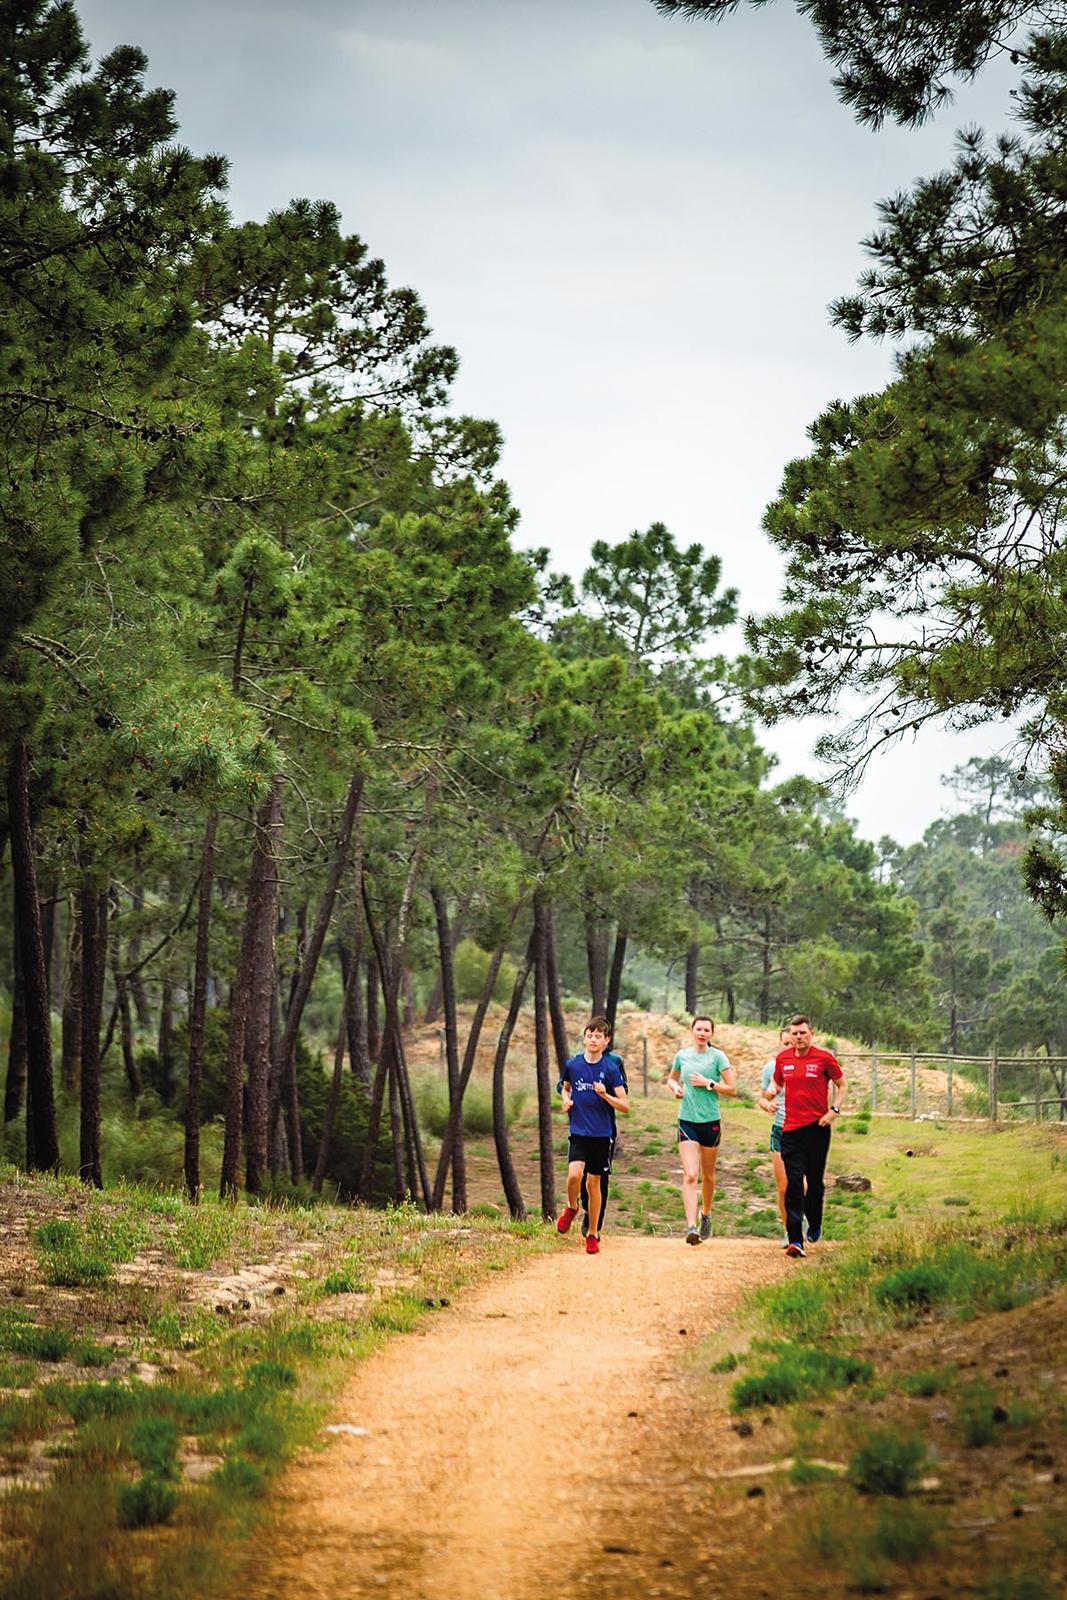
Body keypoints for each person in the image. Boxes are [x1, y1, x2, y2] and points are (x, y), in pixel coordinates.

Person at [766, 1014, 846, 1259]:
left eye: (803, 1033)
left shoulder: (824, 1058)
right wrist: (768, 1096)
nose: (798, 1037)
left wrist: (834, 1111)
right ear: (790, 1035)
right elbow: (775, 1085)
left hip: (817, 1128)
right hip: (790, 1130)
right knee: (793, 1183)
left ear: (811, 1034)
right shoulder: (782, 1060)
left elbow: (842, 1085)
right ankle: (795, 1241)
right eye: (794, 1033)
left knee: (815, 1184)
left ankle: (815, 1221)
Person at [557, 1016, 629, 1255]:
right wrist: (566, 1101)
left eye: (599, 1036)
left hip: (601, 1134)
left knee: (593, 1183)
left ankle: (592, 1233)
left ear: (606, 1041)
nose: (593, 1039)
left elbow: (625, 1105)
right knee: (574, 1176)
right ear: (584, 1038)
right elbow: (566, 1088)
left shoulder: (610, 1068)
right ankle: (571, 1207)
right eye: (590, 1035)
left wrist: (605, 1095)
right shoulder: (573, 1064)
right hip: (578, 1131)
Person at [667, 1015, 736, 1245]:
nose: (702, 1033)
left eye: (707, 1030)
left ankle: (706, 1214)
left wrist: (709, 1083)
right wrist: (675, 1087)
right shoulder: (682, 1055)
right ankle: (691, 1226)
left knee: (708, 1175)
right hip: (687, 1120)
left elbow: (733, 1089)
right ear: (692, 1030)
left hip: (710, 1121)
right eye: (699, 1029)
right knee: (690, 1175)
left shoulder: (718, 1057)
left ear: (711, 1034)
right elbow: (671, 1078)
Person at [759, 1027, 793, 1245]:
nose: (790, 1047)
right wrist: (767, 1105)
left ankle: (804, 1215)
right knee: (783, 1186)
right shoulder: (771, 1068)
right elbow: (762, 1098)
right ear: (779, 1044)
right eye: (786, 1043)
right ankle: (790, 1230)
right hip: (780, 1130)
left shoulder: (809, 1068)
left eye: (793, 1043)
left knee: (804, 1184)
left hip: (804, 1131)